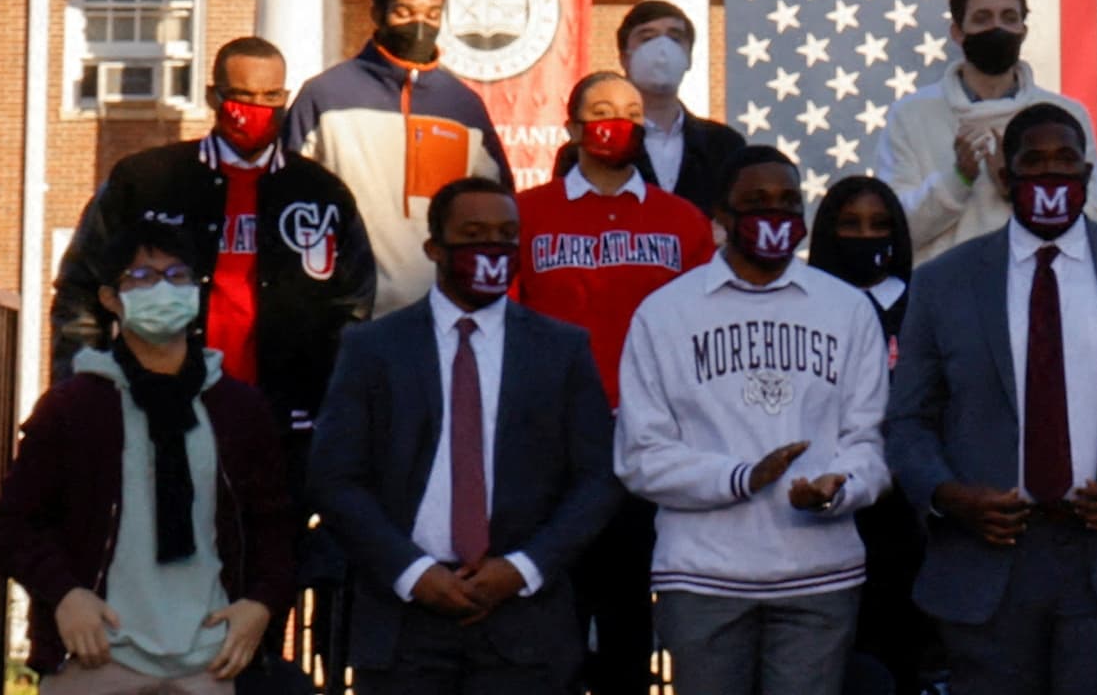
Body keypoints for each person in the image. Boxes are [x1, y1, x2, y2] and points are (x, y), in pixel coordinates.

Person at [882, 105, 1097, 695]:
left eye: (1066, 160)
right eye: (1033, 161)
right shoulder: (943, 282)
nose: (1051, 174)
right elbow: (908, 419)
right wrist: (947, 495)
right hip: (988, 564)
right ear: (1005, 178)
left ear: (1087, 173)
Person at [309, 177, 620, 695]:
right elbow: (335, 479)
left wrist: (523, 568)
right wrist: (411, 572)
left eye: (506, 235)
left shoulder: (560, 349)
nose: (492, 249)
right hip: (403, 618)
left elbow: (597, 481)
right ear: (435, 247)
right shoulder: (373, 348)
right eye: (474, 234)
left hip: (524, 624)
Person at [619, 146, 895, 695]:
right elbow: (640, 458)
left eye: (789, 201)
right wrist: (744, 477)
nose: (776, 215)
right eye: (756, 202)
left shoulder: (846, 308)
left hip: (820, 575)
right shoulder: (664, 313)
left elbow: (868, 441)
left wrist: (838, 488)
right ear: (720, 215)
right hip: (702, 578)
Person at [0, 217, 300, 693]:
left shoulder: (238, 409)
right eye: (141, 277)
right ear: (110, 299)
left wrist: (259, 604)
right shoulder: (75, 407)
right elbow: (12, 525)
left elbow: (275, 526)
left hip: (210, 661)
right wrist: (66, 595)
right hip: (97, 659)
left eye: (178, 276)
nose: (163, 289)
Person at [51, 36, 377, 449]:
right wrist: (83, 389)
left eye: (270, 96)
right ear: (214, 96)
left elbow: (354, 309)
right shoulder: (146, 181)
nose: (257, 108)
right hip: (163, 413)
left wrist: (335, 412)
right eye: (242, 95)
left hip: (284, 425)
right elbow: (81, 290)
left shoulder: (320, 193)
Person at [514, 70, 716, 695]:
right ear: (572, 127)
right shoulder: (524, 213)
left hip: (650, 439)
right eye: (601, 110)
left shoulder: (682, 221)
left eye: (632, 111)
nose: (617, 122)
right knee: (554, 608)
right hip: (554, 441)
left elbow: (703, 331)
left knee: (630, 613)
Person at [290, 0, 516, 318]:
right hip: (349, 314)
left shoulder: (464, 106)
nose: (420, 26)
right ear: (377, 13)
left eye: (432, 14)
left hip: (444, 315)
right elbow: (288, 201)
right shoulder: (324, 96)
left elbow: (498, 207)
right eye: (404, 12)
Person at [867, 0, 1092, 258]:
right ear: (958, 33)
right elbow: (893, 229)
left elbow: (1095, 225)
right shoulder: (911, 116)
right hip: (946, 293)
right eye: (982, 18)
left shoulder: (1065, 116)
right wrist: (958, 179)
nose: (996, 28)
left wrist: (1019, 189)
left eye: (1009, 18)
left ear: (1023, 31)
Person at [809, 176, 931, 695]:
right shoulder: (806, 304)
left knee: (904, 647)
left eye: (880, 225)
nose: (866, 236)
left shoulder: (925, 300)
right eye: (851, 225)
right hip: (828, 500)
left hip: (912, 502)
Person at [617, 0, 747, 218]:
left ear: (688, 57)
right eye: (647, 38)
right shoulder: (598, 144)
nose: (662, 49)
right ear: (624, 58)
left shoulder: (725, 145)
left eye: (675, 38)